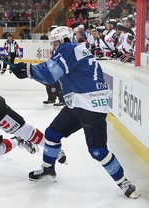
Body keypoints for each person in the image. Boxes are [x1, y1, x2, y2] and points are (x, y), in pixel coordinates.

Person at [9, 26, 140, 199]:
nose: (53, 46)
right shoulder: (74, 50)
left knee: (98, 151)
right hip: (78, 103)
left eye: (55, 42)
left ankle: (124, 182)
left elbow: (49, 74)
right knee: (52, 134)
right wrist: (29, 72)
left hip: (90, 107)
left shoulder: (68, 49)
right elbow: (52, 74)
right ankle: (48, 170)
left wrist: (27, 70)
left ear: (63, 40)